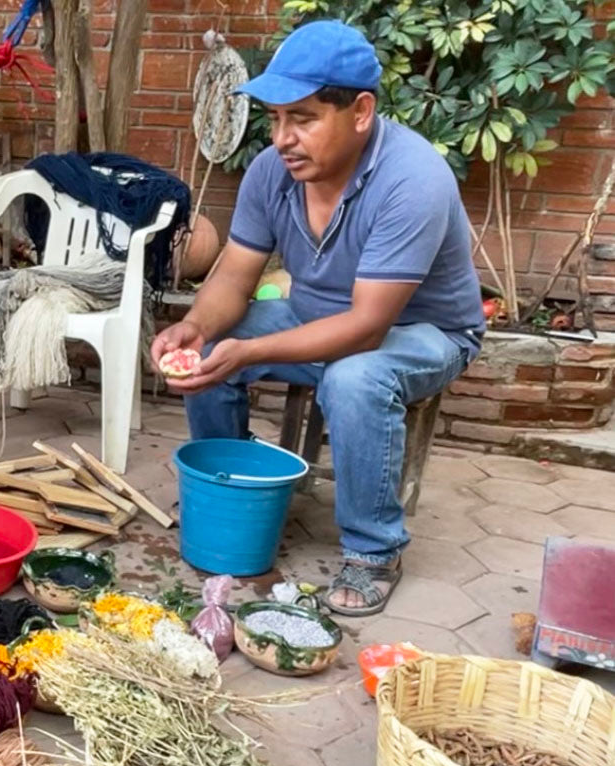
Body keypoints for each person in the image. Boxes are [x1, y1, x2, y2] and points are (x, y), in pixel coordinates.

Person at [151, 19, 484, 617]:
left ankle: (374, 549)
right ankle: (234, 492)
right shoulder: (271, 172)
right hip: (314, 312)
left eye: (302, 118)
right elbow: (233, 276)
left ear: (360, 112)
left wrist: (250, 351)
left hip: (423, 332)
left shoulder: (413, 179)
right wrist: (198, 327)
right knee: (209, 351)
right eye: (275, 118)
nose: (283, 138)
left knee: (354, 377)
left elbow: (367, 329)